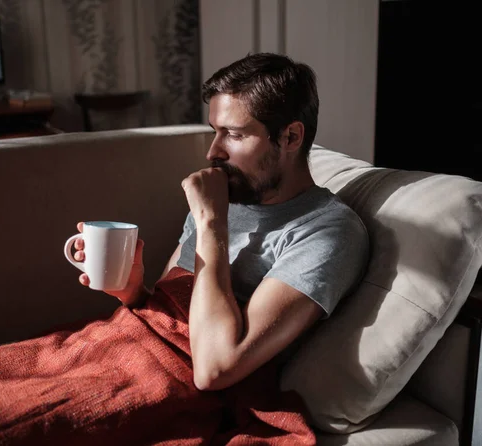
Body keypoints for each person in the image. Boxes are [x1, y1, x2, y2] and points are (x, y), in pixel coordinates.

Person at [73, 52, 370, 391]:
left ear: (291, 137)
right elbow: (173, 317)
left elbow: (215, 369)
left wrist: (211, 221)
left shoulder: (329, 232)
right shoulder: (225, 195)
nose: (213, 152)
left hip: (171, 384)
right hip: (116, 347)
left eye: (234, 134)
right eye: (216, 131)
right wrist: (134, 291)